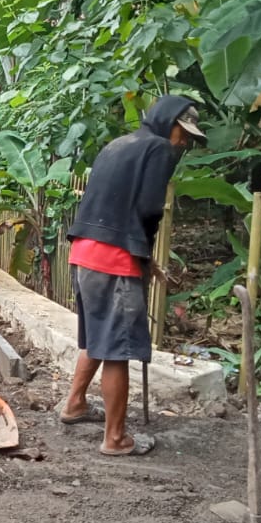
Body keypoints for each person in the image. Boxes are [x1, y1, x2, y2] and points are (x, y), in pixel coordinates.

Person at [58, 95, 205, 457]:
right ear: (166, 121)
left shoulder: (119, 144)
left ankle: (75, 404)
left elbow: (110, 206)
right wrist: (141, 257)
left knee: (97, 336)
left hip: (84, 253)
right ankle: (116, 437)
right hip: (115, 260)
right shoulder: (157, 150)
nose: (183, 142)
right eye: (181, 132)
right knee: (117, 349)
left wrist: (146, 260)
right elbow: (148, 210)